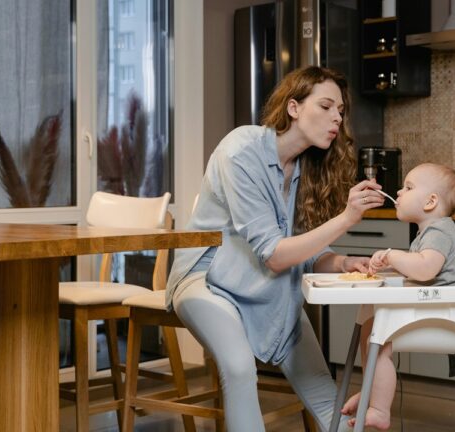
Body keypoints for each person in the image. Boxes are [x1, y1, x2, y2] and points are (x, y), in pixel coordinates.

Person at [164, 66, 385, 432]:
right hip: (206, 280)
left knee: (319, 382)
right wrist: (347, 218)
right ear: (294, 108)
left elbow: (307, 252)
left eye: (341, 111)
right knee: (238, 366)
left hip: (268, 284)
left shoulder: (307, 167)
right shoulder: (241, 150)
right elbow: (276, 253)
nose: (336, 118)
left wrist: (346, 261)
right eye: (326, 106)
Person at [341, 162, 455, 430]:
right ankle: (373, 392)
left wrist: (393, 255)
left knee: (378, 335)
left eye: (408, 187)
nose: (398, 192)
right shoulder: (429, 233)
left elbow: (425, 269)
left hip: (443, 316)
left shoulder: (439, 231)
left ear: (431, 202)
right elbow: (421, 265)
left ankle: (378, 408)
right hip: (434, 308)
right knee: (370, 327)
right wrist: (392, 263)